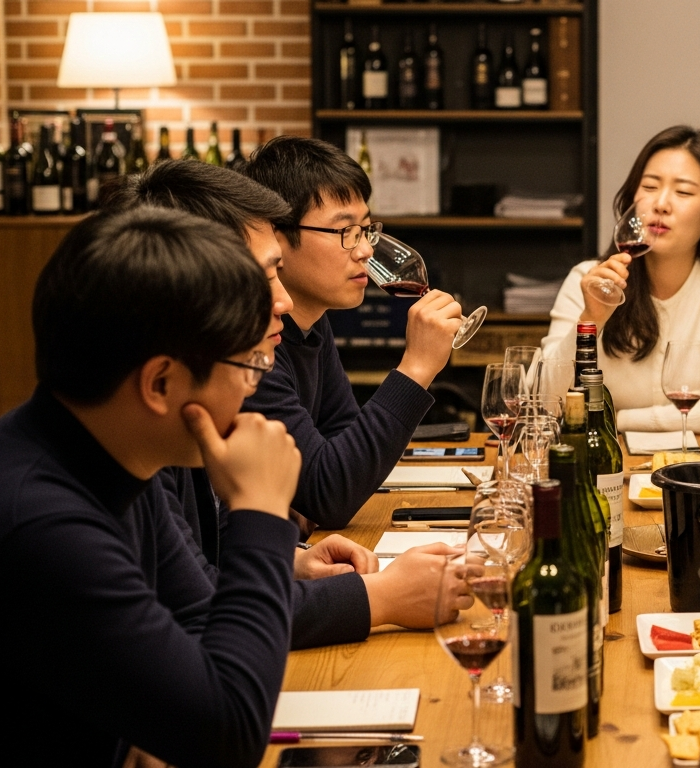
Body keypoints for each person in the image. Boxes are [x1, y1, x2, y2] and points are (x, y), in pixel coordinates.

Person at [103, 161, 473, 648]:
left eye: (366, 230)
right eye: (263, 277)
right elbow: (210, 635)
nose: (281, 301)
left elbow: (203, 565)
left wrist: (288, 557)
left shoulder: (167, 425)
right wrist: (377, 598)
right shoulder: (89, 483)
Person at [0, 207, 302, 765]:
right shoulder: (41, 523)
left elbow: (199, 619)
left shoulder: (110, 451)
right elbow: (228, 735)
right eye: (251, 363)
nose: (256, 386)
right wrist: (262, 514)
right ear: (159, 383)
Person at [243, 136, 465, 530]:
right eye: (345, 231)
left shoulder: (313, 323)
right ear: (276, 237)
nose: (364, 250)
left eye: (366, 229)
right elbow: (331, 494)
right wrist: (416, 369)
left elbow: (344, 446)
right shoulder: (250, 341)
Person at [542, 125, 700, 432]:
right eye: (649, 187)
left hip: (697, 468)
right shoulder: (586, 280)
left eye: (684, 191)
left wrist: (616, 420)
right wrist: (590, 320)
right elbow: (543, 403)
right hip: (607, 467)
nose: (661, 204)